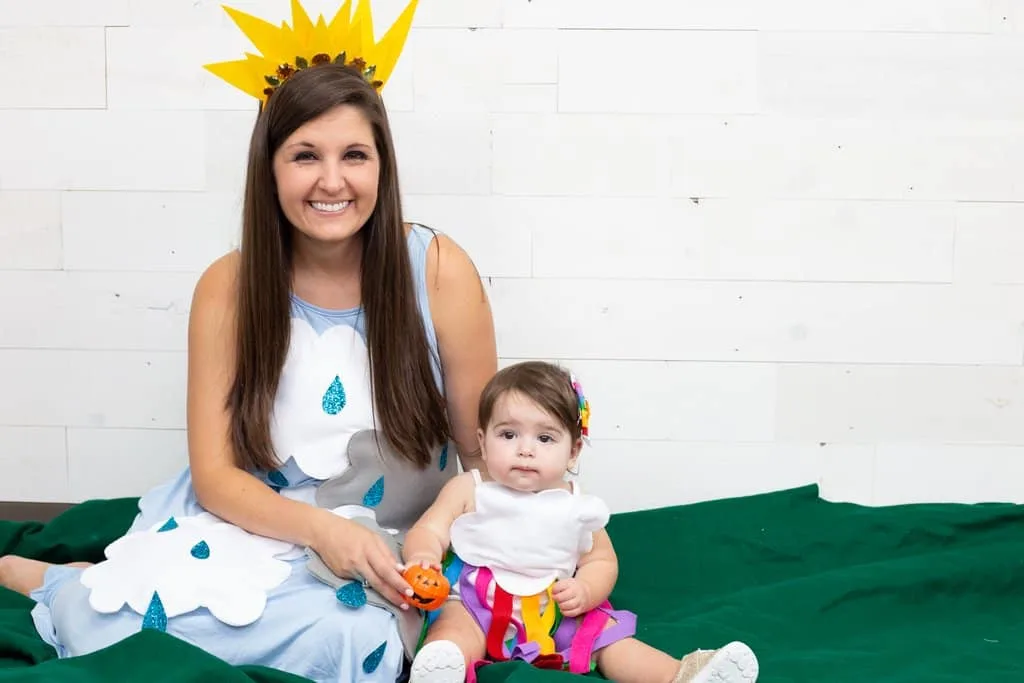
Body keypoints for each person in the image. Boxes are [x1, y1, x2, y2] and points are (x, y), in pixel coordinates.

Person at [0, 60, 498, 682]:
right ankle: (65, 586)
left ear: (383, 165)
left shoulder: (438, 270)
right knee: (126, 619)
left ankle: (91, 579)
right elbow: (214, 476)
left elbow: (483, 451)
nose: (332, 180)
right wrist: (319, 531)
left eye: (355, 155)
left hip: (390, 543)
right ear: (270, 167)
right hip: (259, 524)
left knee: (351, 639)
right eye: (305, 156)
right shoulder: (228, 286)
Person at [400, 361, 760, 683]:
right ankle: (443, 666)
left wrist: (586, 590)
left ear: (573, 450)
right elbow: (430, 529)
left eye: (544, 438)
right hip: (477, 603)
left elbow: (601, 559)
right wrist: (424, 556)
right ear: (482, 439)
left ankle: (679, 675)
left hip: (555, 609)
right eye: (508, 435)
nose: (525, 449)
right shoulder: (470, 489)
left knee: (609, 639)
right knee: (453, 628)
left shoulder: (576, 506)